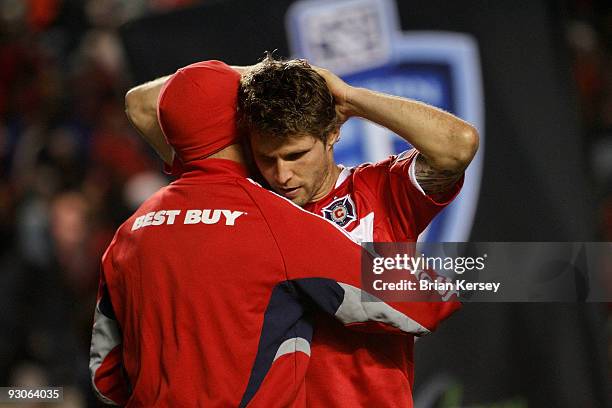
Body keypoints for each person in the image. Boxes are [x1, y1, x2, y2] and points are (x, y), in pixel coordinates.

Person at [90, 60, 458, 407]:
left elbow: (459, 146)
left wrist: (344, 95)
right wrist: (266, 78)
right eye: (268, 158)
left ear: (331, 135)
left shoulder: (381, 189)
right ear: (247, 143)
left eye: (296, 155)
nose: (282, 175)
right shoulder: (251, 200)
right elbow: (140, 104)